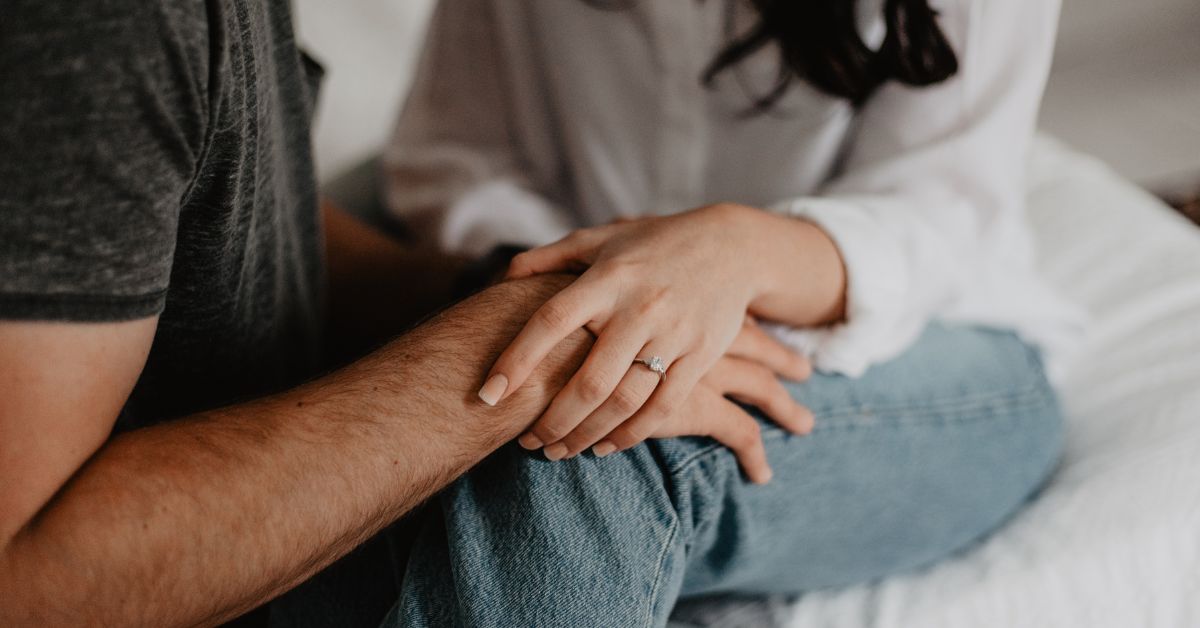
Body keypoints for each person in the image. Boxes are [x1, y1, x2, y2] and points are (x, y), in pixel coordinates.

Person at [0, 1, 808, 626]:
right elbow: (23, 578)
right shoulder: (99, 27)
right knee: (597, 445)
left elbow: (215, 212)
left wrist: (494, 286)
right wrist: (522, 342)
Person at [381, 0, 1084, 624]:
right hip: (564, 265)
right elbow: (458, 156)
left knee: (603, 428)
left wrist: (735, 254)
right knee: (555, 380)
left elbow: (946, 213)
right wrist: (605, 292)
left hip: (932, 328)